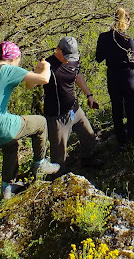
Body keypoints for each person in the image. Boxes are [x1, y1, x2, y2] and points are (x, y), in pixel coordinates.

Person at [0, 41, 60, 200]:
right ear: (13, 58)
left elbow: (29, 85)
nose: (19, 62)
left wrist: (35, 72)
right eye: (18, 59)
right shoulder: (8, 69)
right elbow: (44, 79)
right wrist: (46, 65)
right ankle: (40, 163)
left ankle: (7, 188)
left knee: (11, 145)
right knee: (40, 123)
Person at [43, 36, 100, 172]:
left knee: (89, 137)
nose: (69, 59)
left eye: (71, 56)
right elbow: (33, 82)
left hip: (74, 110)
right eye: (66, 56)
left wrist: (89, 95)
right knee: (59, 158)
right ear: (57, 49)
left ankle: (86, 161)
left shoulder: (74, 59)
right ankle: (57, 182)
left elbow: (77, 76)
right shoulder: (47, 65)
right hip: (57, 117)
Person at [95, 8, 134, 151]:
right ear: (127, 21)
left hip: (113, 77)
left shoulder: (103, 37)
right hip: (128, 78)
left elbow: (99, 58)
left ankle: (121, 142)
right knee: (131, 110)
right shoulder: (129, 40)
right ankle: (132, 140)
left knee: (117, 110)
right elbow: (133, 64)